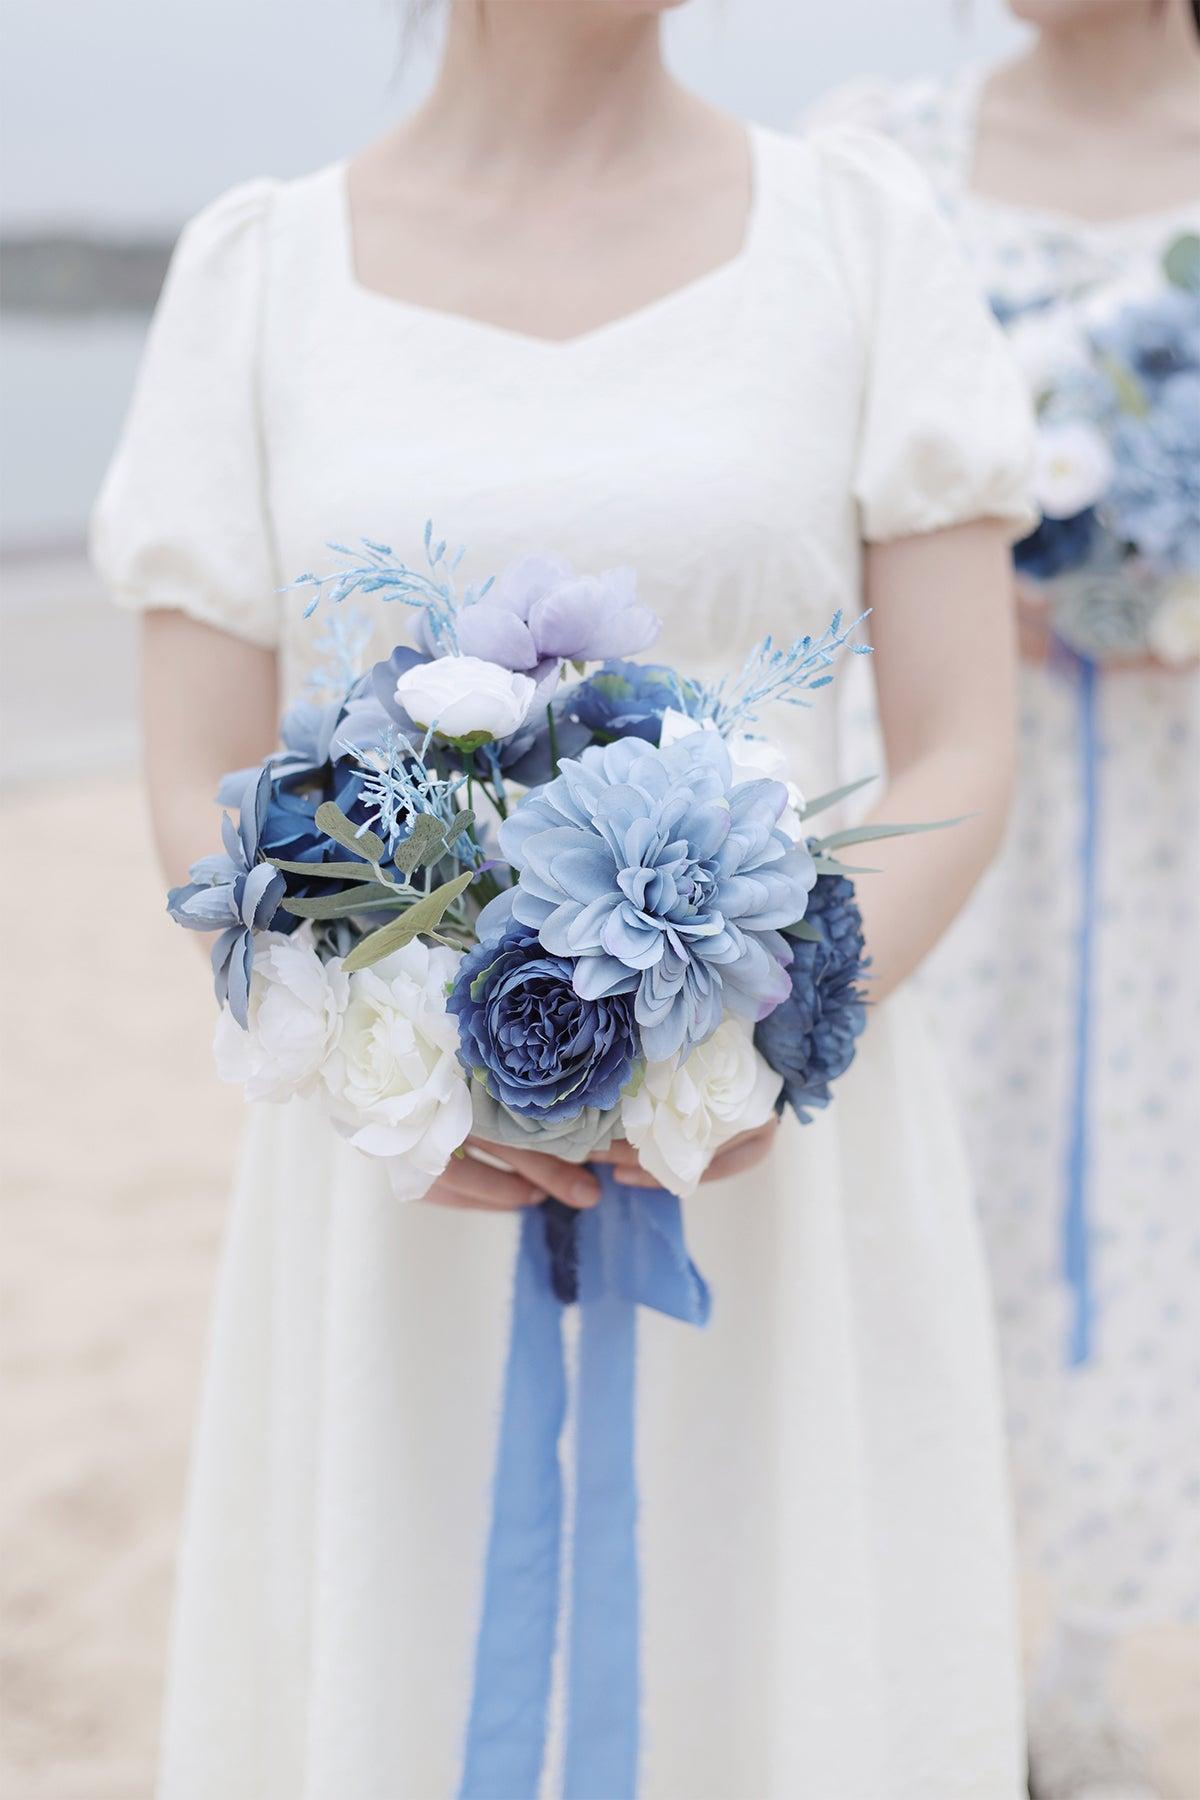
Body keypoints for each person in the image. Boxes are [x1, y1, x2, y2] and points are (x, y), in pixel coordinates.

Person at [91, 3, 1036, 1793]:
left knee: (787, 1665)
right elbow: (193, 788)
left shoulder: (858, 238)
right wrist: (386, 1063)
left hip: (784, 1149)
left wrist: (757, 1045)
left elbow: (961, 754)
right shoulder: (263, 274)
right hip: (394, 1181)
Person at [812, 4, 1200, 1795]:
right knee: (925, 1182)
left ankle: (1085, 1674)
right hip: (940, 781)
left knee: (1155, 1207)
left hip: (1177, 803)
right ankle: (927, 1661)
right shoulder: (877, 151)